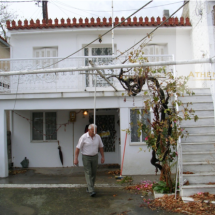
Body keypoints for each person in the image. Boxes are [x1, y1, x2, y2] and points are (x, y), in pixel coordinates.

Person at [74, 124, 105, 197]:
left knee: (93, 173)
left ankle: (89, 187)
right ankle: (91, 190)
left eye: (96, 131)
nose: (94, 132)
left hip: (95, 157)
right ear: (89, 130)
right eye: (93, 130)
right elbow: (77, 148)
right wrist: (76, 158)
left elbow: (101, 147)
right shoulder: (84, 137)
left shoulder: (98, 137)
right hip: (86, 157)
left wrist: (102, 156)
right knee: (88, 172)